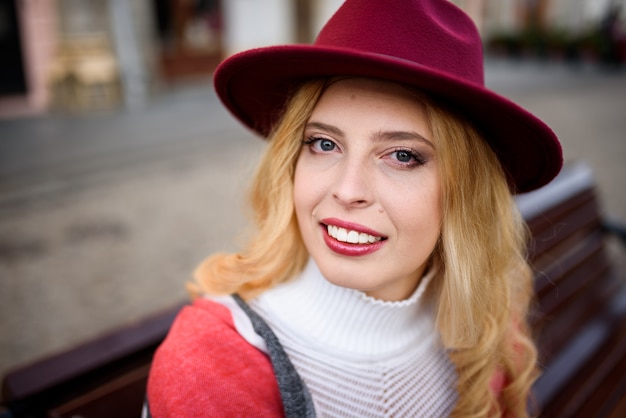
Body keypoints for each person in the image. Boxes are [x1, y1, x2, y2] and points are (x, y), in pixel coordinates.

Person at [146, 0, 562, 416]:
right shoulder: (208, 367)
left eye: (401, 155)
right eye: (324, 144)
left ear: (465, 192)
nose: (348, 190)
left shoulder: (490, 326)